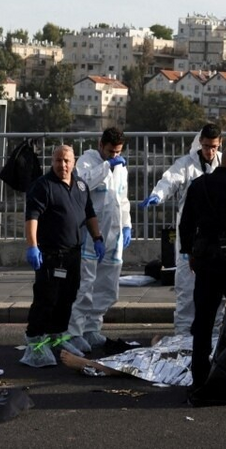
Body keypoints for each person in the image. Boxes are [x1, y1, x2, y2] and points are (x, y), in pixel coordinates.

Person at [178, 143, 226, 389]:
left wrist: (189, 252)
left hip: (205, 262)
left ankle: (199, 375)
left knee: (202, 321)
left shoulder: (199, 186)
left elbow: (186, 224)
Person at [21, 145, 104, 367]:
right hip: (50, 254)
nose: (63, 165)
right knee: (46, 298)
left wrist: (97, 238)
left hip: (73, 254)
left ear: (74, 162)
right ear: (52, 162)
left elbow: (89, 213)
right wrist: (32, 246)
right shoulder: (43, 186)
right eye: (58, 160)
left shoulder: (80, 185)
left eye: (67, 160)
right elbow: (32, 217)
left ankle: (57, 335)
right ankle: (35, 340)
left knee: (67, 298)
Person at [141, 123, 223, 334]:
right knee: (186, 288)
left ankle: (215, 334)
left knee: (217, 290)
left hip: (216, 238)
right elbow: (170, 179)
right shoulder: (187, 164)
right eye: (206, 146)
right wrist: (158, 194)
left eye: (213, 146)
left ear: (219, 143)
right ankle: (183, 334)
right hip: (191, 238)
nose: (209, 151)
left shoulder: (224, 163)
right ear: (200, 144)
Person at [65, 128, 131, 353]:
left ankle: (92, 328)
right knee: (84, 286)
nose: (114, 155)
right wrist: (106, 167)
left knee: (108, 287)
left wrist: (126, 224)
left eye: (118, 152)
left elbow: (122, 197)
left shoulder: (120, 166)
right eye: (111, 151)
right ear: (100, 144)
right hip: (91, 236)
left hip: (113, 234)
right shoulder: (86, 161)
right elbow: (82, 185)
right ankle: (73, 332)